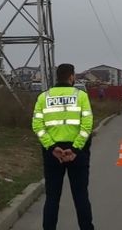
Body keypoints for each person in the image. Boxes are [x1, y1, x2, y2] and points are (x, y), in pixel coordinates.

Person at [32, 63, 94, 230]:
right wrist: (74, 149)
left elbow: (37, 126)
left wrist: (52, 148)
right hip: (77, 154)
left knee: (52, 198)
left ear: (57, 77)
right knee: (81, 196)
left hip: (53, 154)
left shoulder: (43, 97)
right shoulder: (80, 96)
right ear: (71, 77)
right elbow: (87, 125)